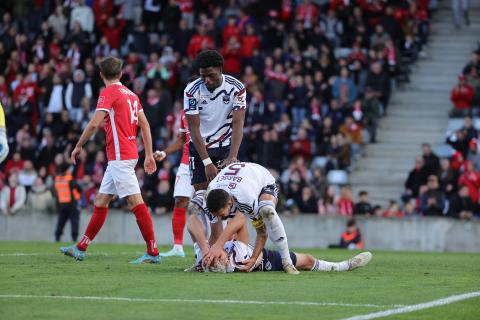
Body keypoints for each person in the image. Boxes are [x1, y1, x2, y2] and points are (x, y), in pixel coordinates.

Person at [60, 57, 160, 264]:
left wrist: (79, 145)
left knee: (136, 203)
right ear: (121, 74)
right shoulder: (132, 95)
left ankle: (153, 252)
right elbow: (145, 125)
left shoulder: (108, 93)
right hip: (125, 154)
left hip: (120, 157)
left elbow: (95, 124)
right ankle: (81, 247)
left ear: (101, 74)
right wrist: (148, 154)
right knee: (101, 200)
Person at [183, 50, 246, 265]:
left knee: (221, 199)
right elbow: (194, 128)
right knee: (201, 198)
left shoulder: (236, 88)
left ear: (220, 69)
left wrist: (233, 156)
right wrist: (207, 161)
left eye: (210, 75)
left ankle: (222, 249)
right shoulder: (191, 90)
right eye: (202, 76)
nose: (207, 80)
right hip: (199, 149)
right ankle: (203, 250)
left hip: (225, 148)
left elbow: (238, 124)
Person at [200, 162, 299, 274]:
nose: (219, 217)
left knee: (266, 210)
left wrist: (254, 258)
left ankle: (287, 261)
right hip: (239, 178)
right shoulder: (208, 200)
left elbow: (262, 233)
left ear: (229, 203)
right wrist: (211, 254)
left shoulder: (246, 199)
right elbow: (214, 233)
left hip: (263, 179)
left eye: (221, 214)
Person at [195, 213, 372, 273]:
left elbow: (192, 221)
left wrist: (205, 247)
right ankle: (344, 266)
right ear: (226, 260)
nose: (219, 254)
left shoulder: (205, 257)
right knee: (308, 260)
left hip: (255, 257)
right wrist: (218, 244)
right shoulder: (236, 258)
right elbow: (241, 218)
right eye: (221, 257)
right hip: (265, 260)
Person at [153, 110, 193, 258]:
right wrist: (165, 152)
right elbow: (183, 138)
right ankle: (178, 247)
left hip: (206, 163)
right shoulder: (185, 112)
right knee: (180, 201)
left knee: (208, 205)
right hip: (186, 163)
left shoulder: (210, 107)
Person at [53, 163, 82, 242]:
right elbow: (79, 189)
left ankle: (57, 237)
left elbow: (55, 193)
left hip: (62, 204)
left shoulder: (57, 179)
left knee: (61, 222)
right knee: (74, 222)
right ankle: (74, 238)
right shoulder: (69, 179)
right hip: (71, 204)